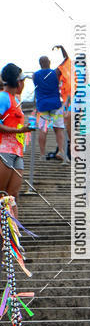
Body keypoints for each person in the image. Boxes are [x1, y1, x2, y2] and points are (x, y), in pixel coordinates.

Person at [0, 64, 36, 218]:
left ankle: (12, 237)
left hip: (17, 152)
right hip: (3, 150)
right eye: (22, 80)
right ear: (17, 81)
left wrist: (25, 130)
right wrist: (19, 131)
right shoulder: (3, 97)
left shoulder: (15, 99)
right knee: (2, 195)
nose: (23, 84)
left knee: (12, 196)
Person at [33, 55, 66, 160]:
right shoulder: (55, 73)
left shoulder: (35, 75)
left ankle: (42, 154)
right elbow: (66, 61)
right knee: (58, 129)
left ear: (40, 63)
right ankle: (61, 151)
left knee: (43, 130)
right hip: (55, 105)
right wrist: (62, 49)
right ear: (49, 62)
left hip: (42, 106)